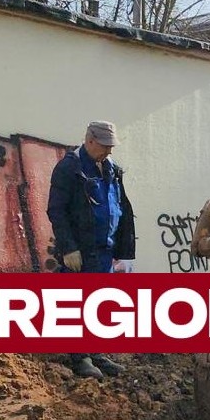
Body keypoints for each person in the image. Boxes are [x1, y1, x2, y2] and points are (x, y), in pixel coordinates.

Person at [47, 120, 135, 380]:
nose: (109, 151)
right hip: (81, 250)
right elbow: (56, 210)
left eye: (112, 146)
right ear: (90, 140)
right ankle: (80, 356)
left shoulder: (111, 170)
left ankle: (95, 352)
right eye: (105, 146)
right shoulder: (69, 168)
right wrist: (69, 248)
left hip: (105, 250)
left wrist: (122, 248)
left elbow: (118, 207)